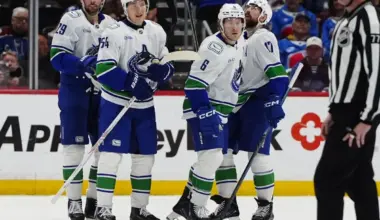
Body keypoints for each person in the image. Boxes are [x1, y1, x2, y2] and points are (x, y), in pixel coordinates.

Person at [93, 0, 174, 219]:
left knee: (145, 157)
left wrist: (164, 71)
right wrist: (130, 82)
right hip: (116, 103)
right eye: (134, 5)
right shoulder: (113, 33)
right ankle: (103, 208)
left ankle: (139, 209)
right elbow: (104, 69)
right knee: (110, 156)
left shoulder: (156, 32)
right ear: (124, 7)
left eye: (143, 4)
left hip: (145, 106)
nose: (139, 10)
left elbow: (166, 60)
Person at [166, 3, 246, 220]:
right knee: (212, 158)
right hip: (204, 107)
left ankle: (184, 204)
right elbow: (193, 85)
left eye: (239, 21)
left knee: (211, 158)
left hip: (221, 110)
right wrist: (205, 112)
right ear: (221, 23)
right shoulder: (213, 47)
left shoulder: (240, 44)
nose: (234, 26)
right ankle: (195, 206)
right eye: (229, 21)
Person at [210, 0, 288, 220]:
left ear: (264, 16)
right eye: (247, 6)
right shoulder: (237, 39)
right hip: (232, 101)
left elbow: (277, 73)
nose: (247, 9)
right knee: (221, 153)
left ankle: (266, 205)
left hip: (256, 100)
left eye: (254, 7)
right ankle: (228, 204)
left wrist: (274, 99)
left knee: (258, 156)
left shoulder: (262, 37)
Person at [313, 0, 380, 220]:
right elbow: (343, 72)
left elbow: (377, 71)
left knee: (326, 180)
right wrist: (333, 110)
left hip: (358, 114)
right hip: (346, 111)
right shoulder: (346, 19)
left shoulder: (369, 19)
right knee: (359, 181)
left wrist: (367, 119)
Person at [49, 0, 116, 219]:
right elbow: (57, 57)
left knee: (103, 150)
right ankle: (74, 201)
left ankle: (93, 200)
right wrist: (81, 63)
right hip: (74, 92)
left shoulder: (112, 25)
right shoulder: (70, 20)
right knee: (74, 148)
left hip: (103, 95)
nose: (93, 1)